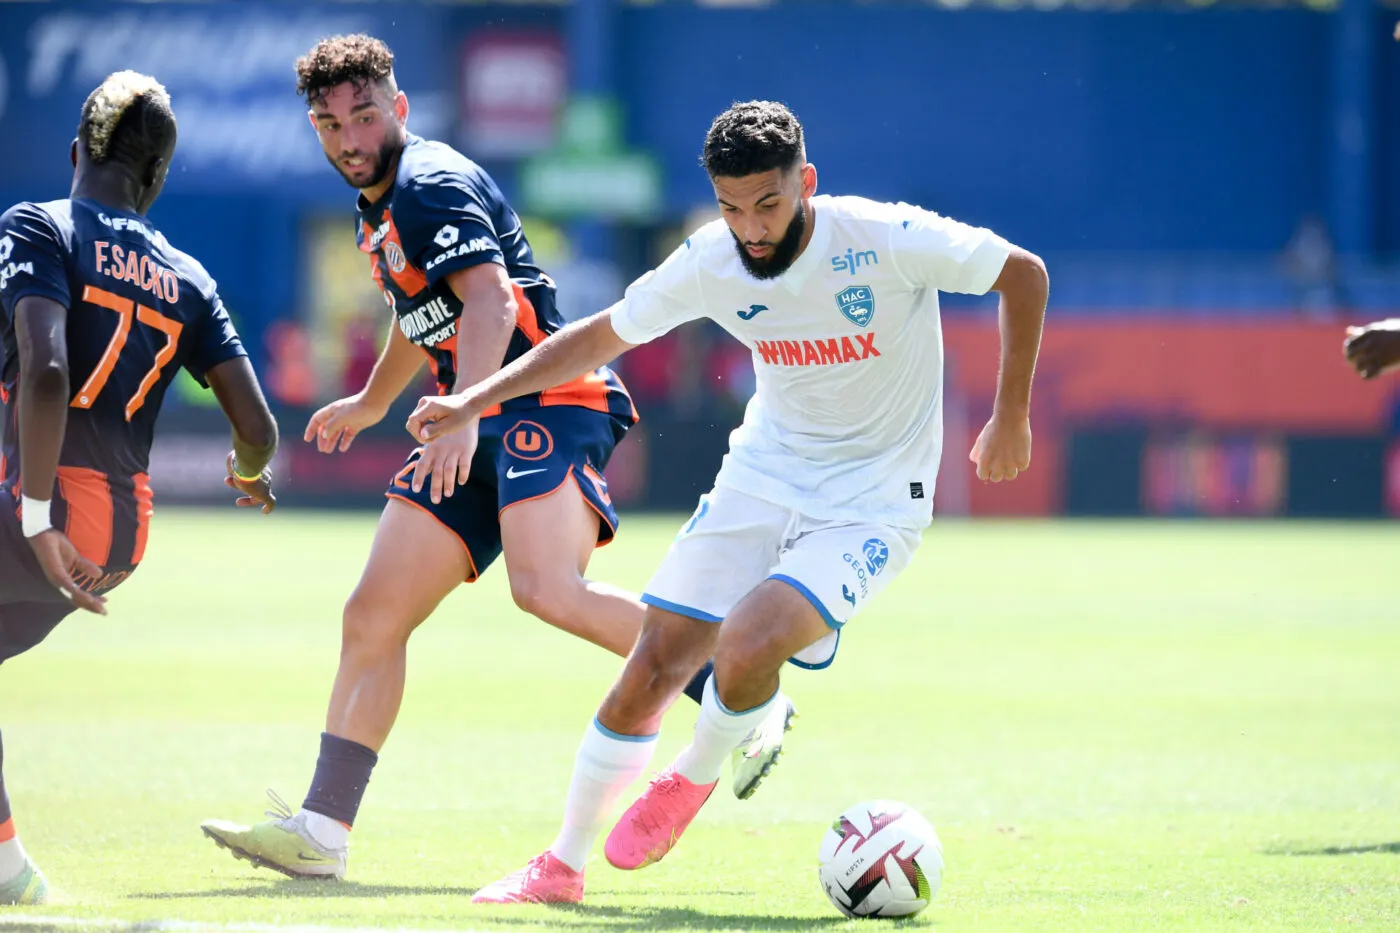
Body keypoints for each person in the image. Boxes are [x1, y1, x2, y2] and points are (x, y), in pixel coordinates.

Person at [406, 100, 1049, 905]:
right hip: (763, 477)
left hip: (874, 500)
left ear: (805, 182)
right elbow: (601, 335)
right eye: (731, 207)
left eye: (767, 204)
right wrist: (474, 400)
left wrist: (1011, 414)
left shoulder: (883, 236)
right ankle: (561, 866)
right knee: (653, 664)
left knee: (745, 643)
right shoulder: (714, 258)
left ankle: (694, 772)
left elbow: (1023, 273)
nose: (751, 228)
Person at [199, 36, 791, 882]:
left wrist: (465, 414)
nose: (349, 138)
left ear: (399, 109)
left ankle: (743, 685)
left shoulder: (428, 184)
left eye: (364, 116)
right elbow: (424, 313)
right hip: (470, 412)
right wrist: (374, 402)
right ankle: (321, 830)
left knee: (547, 588)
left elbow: (491, 299)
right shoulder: (380, 205)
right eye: (330, 124)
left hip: (548, 398)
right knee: (373, 612)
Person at [0, 71, 280, 905]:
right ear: (156, 176)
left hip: (47, 516)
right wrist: (248, 474)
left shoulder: (38, 226)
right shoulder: (190, 277)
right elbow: (258, 428)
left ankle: (11, 870)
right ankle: (10, 871)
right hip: (120, 542)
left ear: (76, 153)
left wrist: (36, 516)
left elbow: (48, 373)